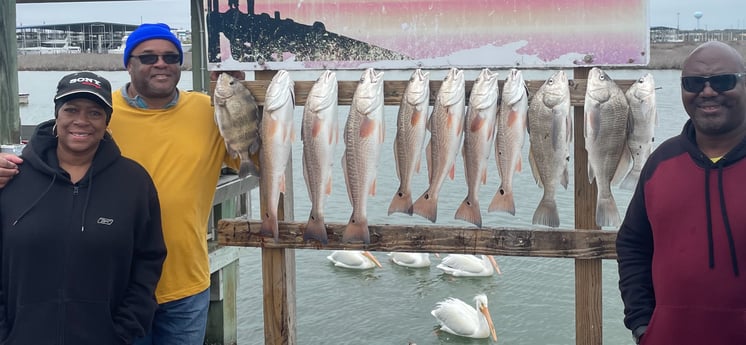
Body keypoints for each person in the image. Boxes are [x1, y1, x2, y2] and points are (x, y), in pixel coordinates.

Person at [0, 23, 242, 345]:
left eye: (171, 56)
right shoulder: (102, 108)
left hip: (185, 285)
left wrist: (248, 100)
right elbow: (45, 158)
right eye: (148, 57)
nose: (161, 63)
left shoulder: (210, 110)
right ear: (128, 63)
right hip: (109, 294)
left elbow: (257, 157)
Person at [0, 72, 166, 344]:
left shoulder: (133, 181)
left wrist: (123, 330)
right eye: (71, 110)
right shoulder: (12, 177)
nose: (81, 121)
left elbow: (149, 260)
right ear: (57, 116)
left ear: (106, 123)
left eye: (94, 113)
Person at [617, 40, 746, 345]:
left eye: (723, 81)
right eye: (694, 83)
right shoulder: (660, 163)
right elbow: (633, 244)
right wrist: (641, 324)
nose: (708, 91)